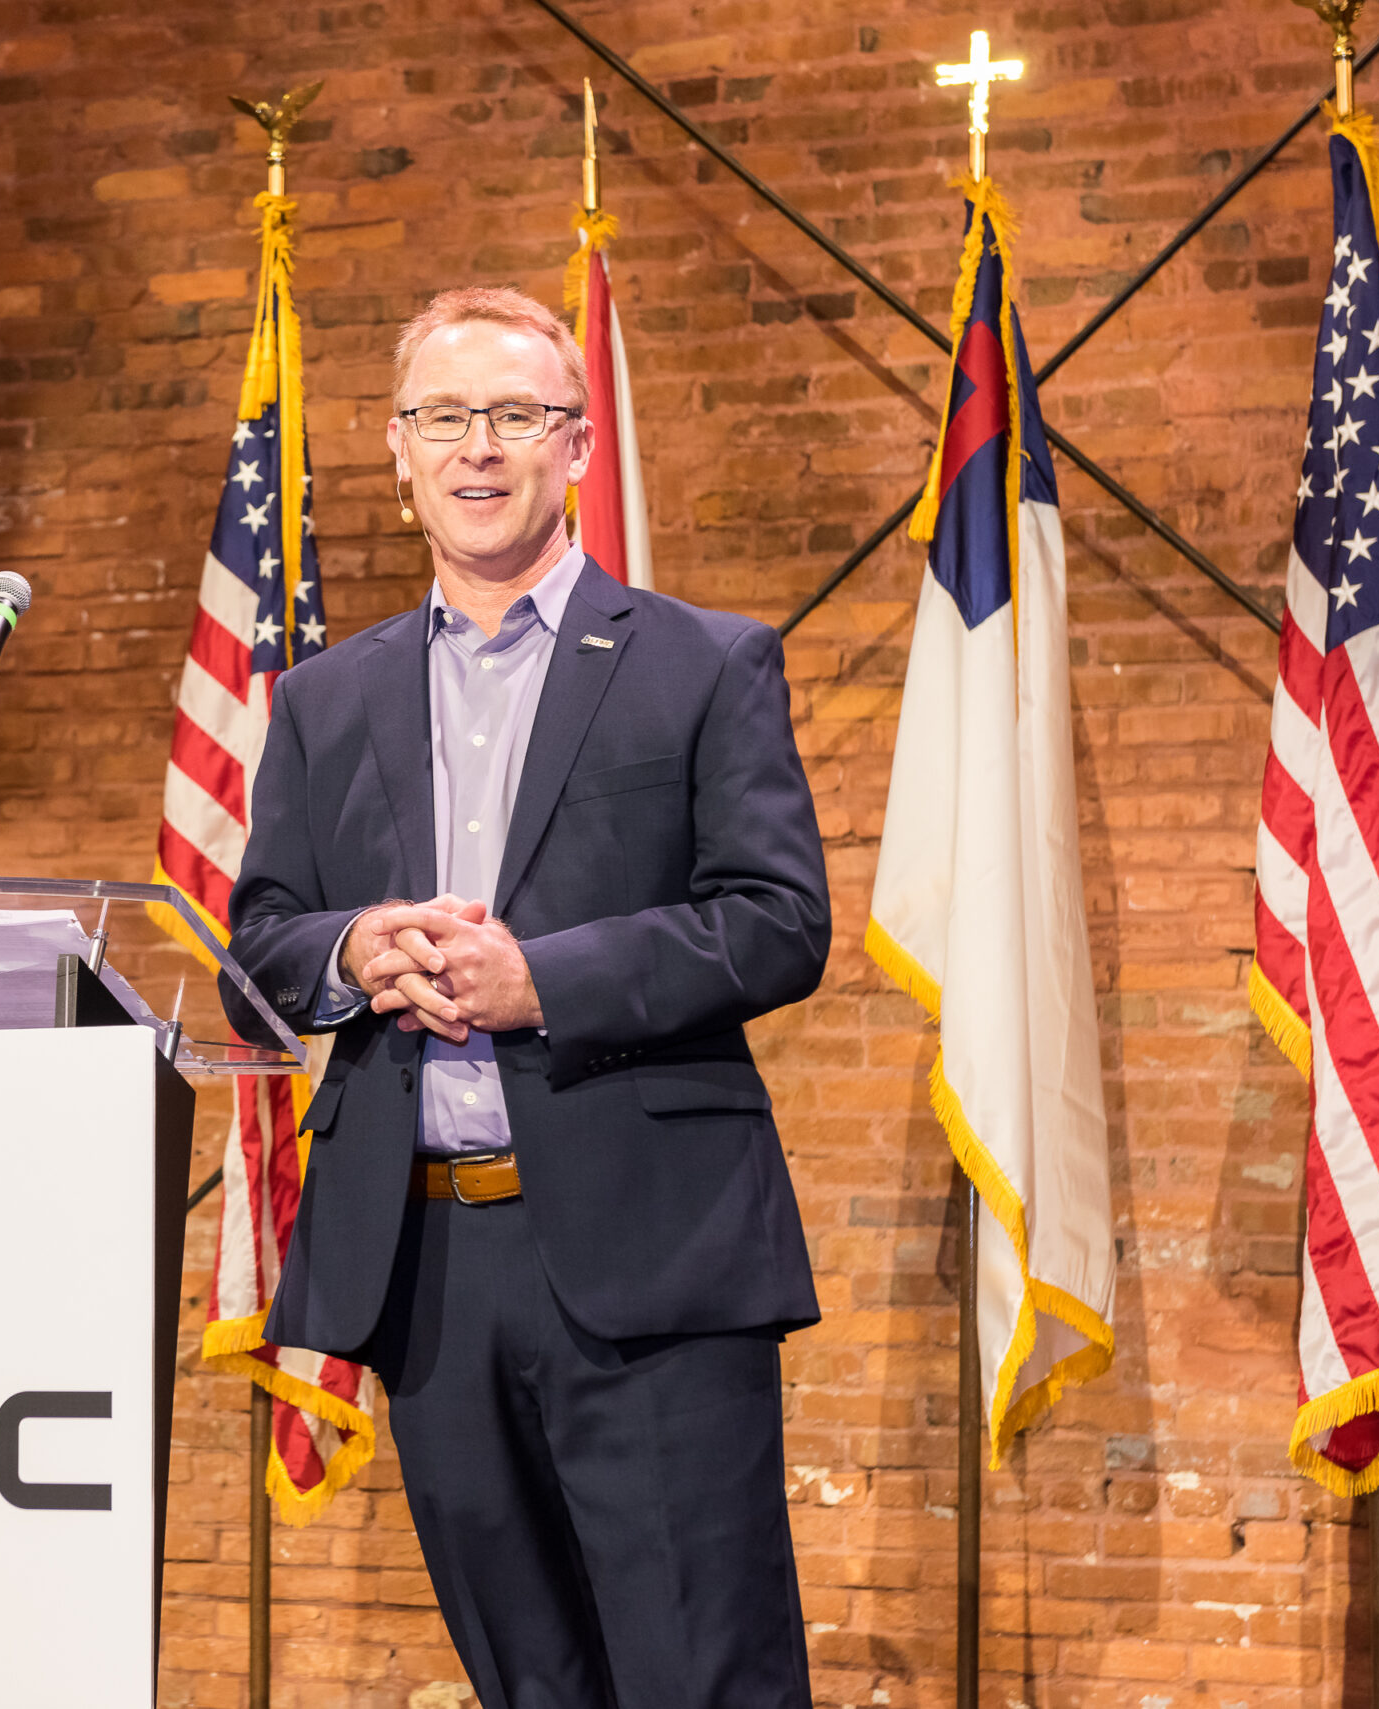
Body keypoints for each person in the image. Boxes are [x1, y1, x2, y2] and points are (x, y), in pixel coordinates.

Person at [220, 286, 830, 1709]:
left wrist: (539, 982)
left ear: (576, 443)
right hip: (429, 1269)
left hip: (653, 1268)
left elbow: (778, 922)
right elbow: (261, 933)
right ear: (395, 446)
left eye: (513, 417)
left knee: (704, 1681)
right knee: (527, 1684)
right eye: (444, 416)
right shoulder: (325, 699)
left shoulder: (702, 661)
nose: (476, 448)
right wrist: (358, 947)